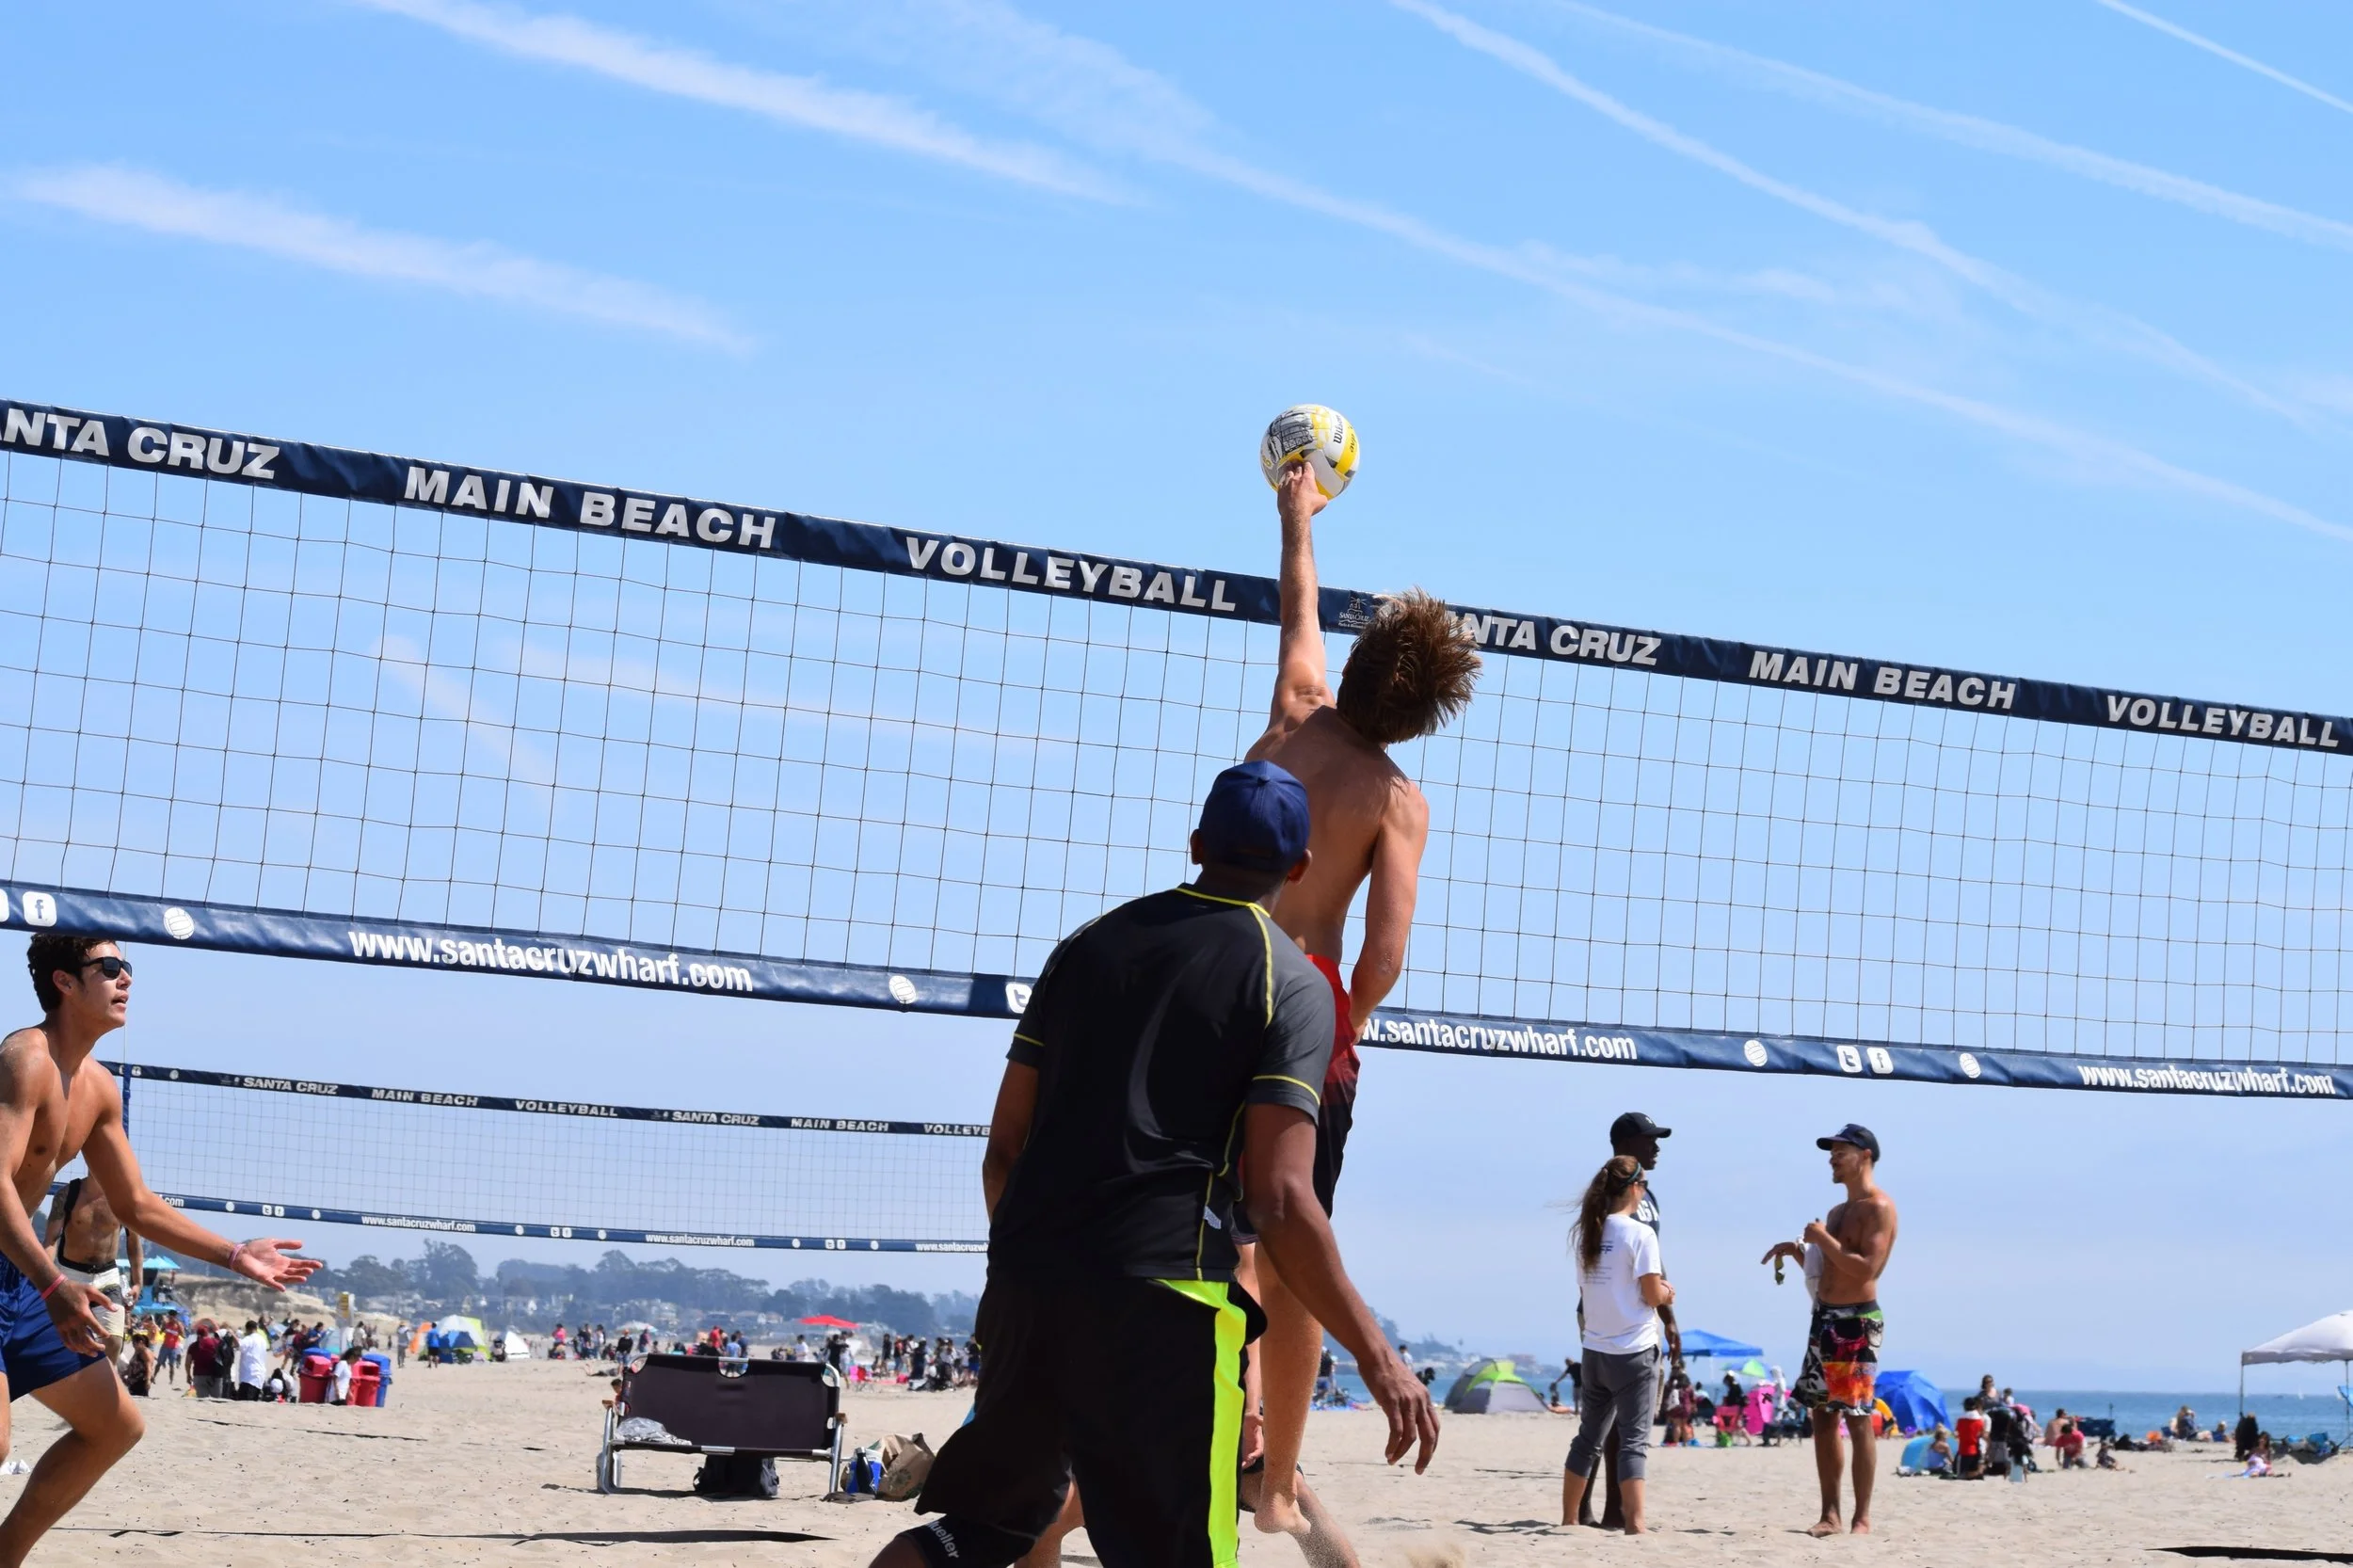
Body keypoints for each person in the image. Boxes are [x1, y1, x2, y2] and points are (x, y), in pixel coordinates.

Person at [873, 761, 1440, 1568]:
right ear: (1301, 867)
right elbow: (1280, 1201)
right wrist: (1379, 1358)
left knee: (972, 1535)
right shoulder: (1291, 982)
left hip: (1030, 1281)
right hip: (1164, 1302)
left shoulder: (1085, 948)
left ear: (1197, 844)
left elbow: (1003, 1152)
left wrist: (1034, 1266)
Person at [1242, 460, 1481, 1537]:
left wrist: (1296, 512)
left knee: (1216, 1230)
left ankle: (1242, 1427)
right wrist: (1349, 1019)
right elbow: (1382, 955)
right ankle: (1275, 1478)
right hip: (1304, 1007)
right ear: (1426, 718)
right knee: (1297, 1243)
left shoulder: (1298, 709)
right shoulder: (1398, 800)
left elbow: (1297, 600)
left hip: (1214, 975)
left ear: (1352, 663)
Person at [0, 935, 319, 1561]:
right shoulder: (25, 1058)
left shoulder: (98, 1088)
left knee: (116, 1426)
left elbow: (138, 1205)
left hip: (18, 1276)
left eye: (128, 967)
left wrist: (235, 1255)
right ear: (65, 982)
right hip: (31, 1272)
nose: (126, 979)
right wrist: (52, 1282)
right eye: (110, 968)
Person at [1760, 1123, 1898, 1536]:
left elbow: (1866, 1269)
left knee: (1857, 1417)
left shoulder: (1879, 1207)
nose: (1832, 1159)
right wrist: (1799, 1254)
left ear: (1865, 1156)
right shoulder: (1837, 1212)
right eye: (1831, 1153)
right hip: (1824, 1317)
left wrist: (1822, 1239)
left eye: (1841, 1152)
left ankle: (1862, 1518)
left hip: (1857, 1321)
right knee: (1821, 1417)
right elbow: (1833, 1273)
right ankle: (1831, 1514)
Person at [1559, 1155, 1672, 1535]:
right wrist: (1668, 1293)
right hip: (1634, 1348)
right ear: (1636, 1188)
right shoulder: (1641, 1233)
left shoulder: (1588, 1233)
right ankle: (1635, 1524)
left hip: (1595, 1348)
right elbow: (1651, 1294)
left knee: (1587, 1438)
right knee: (1633, 1442)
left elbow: (1587, 1290)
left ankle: (1570, 1519)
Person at [1578, 1112, 1681, 1528]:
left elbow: (1652, 1260)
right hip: (1608, 1314)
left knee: (1623, 1419)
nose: (1656, 1147)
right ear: (1625, 1144)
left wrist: (1669, 1318)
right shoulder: (1607, 1194)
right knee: (1602, 1420)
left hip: (1641, 1313)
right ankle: (1589, 1510)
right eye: (1649, 1139)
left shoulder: (1647, 1195)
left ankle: (1613, 1510)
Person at [41, 1176, 138, 1364]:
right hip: (71, 1274)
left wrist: (138, 1282)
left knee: (114, 1341)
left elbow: (133, 1243)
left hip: (107, 1275)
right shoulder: (68, 1194)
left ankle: (106, 1379)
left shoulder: (123, 1197)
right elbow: (50, 1240)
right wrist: (44, 1277)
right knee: (70, 1341)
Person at [1954, 1397, 1986, 1479]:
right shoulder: (1980, 1420)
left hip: (1963, 1450)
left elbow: (1957, 1434)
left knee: (1960, 1474)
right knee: (1972, 1472)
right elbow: (1982, 1434)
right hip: (1975, 1449)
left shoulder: (1960, 1420)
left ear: (1965, 1407)